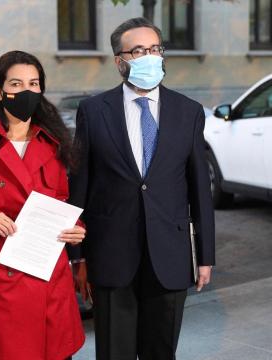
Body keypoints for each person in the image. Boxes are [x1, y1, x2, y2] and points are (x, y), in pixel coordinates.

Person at [68, 17, 215, 360]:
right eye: (138, 50)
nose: (149, 56)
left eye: (154, 49)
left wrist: (205, 256)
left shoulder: (188, 112)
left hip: (170, 256)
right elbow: (81, 185)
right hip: (111, 256)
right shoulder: (93, 111)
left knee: (160, 351)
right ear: (120, 61)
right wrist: (79, 255)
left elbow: (199, 189)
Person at [0, 50, 86, 360]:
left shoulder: (55, 142)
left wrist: (76, 229)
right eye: (17, 83)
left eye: (34, 83)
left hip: (48, 277)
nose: (27, 91)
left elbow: (63, 203)